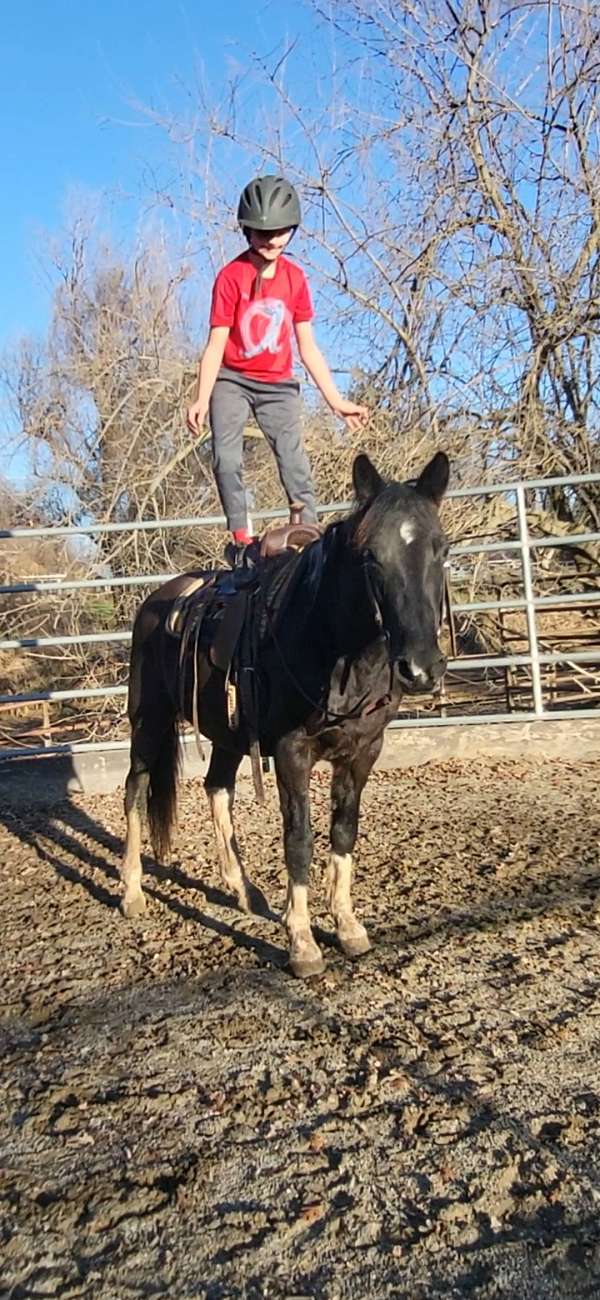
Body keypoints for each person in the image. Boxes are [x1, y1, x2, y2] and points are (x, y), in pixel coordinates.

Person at [186, 174, 368, 544]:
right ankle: (241, 536)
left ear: (292, 230)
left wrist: (336, 401)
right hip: (232, 379)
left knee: (293, 460)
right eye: (261, 233)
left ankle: (307, 532)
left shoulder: (295, 280)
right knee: (227, 456)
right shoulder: (230, 278)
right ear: (247, 231)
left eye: (279, 232)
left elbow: (308, 346)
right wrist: (201, 398)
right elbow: (216, 342)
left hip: (277, 384)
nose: (271, 241)